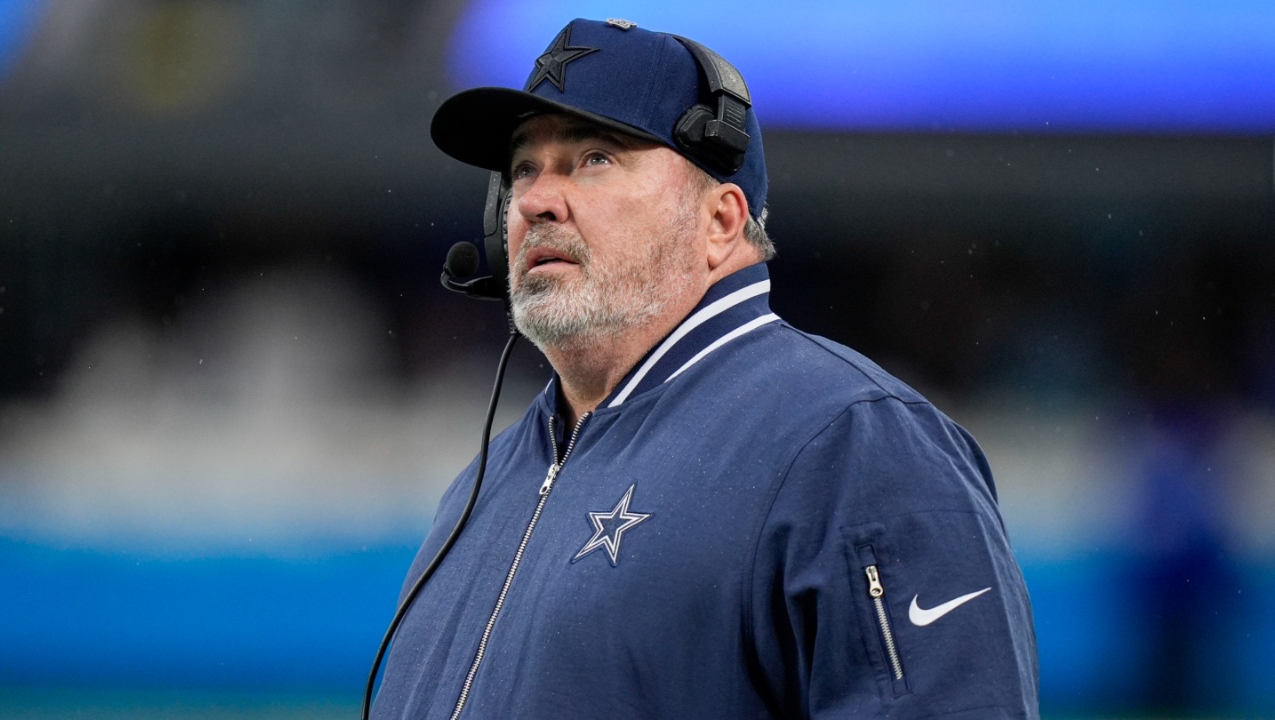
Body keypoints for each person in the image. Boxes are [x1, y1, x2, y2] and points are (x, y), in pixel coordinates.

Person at [372, 18, 1039, 719]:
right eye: (522, 170)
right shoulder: (485, 483)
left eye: (594, 158)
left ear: (721, 221)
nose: (535, 200)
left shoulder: (855, 444)